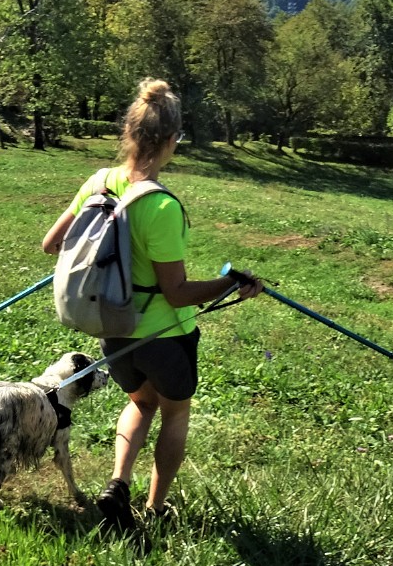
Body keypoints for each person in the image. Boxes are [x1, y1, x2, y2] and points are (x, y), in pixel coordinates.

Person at [41, 78, 263, 530]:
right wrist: (229, 283)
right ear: (170, 141)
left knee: (140, 402)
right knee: (174, 412)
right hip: (166, 336)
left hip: (114, 328)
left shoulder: (99, 182)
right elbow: (176, 293)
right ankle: (155, 509)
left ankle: (118, 483)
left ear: (129, 132)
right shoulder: (162, 207)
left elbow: (52, 244)